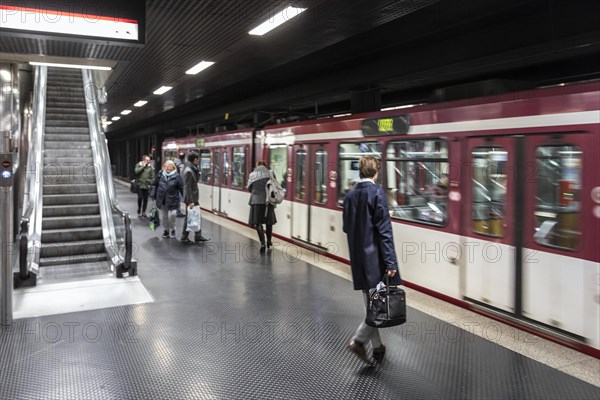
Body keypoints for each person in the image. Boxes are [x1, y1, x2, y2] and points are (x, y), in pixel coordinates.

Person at [342, 156, 401, 365]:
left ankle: (377, 348)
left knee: (372, 305)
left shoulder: (349, 195)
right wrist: (391, 263)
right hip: (376, 260)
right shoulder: (376, 193)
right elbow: (385, 232)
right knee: (378, 307)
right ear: (376, 172)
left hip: (358, 258)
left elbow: (347, 228)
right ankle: (358, 341)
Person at [247, 161, 277, 253]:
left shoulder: (252, 175)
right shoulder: (270, 173)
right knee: (269, 222)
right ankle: (269, 241)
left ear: (257, 166)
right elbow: (275, 186)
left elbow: (249, 188)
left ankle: (262, 243)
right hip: (268, 201)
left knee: (258, 223)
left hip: (256, 201)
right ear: (265, 166)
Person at [180, 152, 210, 244]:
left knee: (195, 216)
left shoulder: (193, 168)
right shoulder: (189, 171)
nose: (199, 160)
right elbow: (187, 187)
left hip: (193, 198)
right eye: (198, 159)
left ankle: (197, 236)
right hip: (191, 198)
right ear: (194, 160)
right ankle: (184, 237)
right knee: (190, 217)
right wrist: (190, 201)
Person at [151, 160, 184, 239]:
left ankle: (172, 229)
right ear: (164, 167)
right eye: (166, 166)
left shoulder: (177, 176)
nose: (168, 167)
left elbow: (181, 187)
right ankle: (166, 230)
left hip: (173, 199)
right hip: (162, 199)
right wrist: (152, 195)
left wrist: (183, 198)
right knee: (164, 216)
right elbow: (154, 184)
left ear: (173, 167)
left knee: (172, 215)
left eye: (170, 166)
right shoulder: (160, 174)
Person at [173, 153, 186, 217]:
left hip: (172, 185)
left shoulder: (173, 164)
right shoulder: (182, 166)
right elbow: (182, 177)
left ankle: (175, 211)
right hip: (178, 186)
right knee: (178, 199)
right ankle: (177, 212)